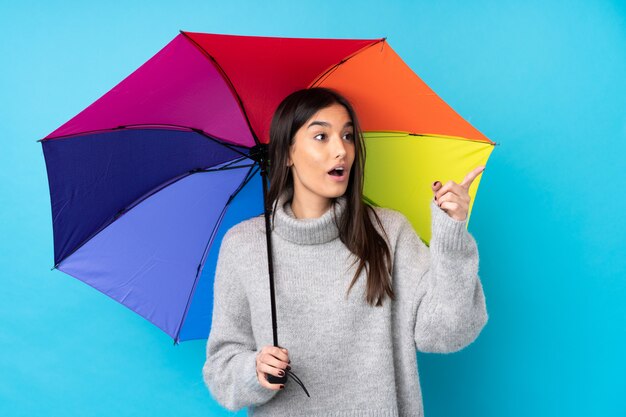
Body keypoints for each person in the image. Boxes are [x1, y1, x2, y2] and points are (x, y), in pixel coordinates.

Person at [202, 87, 488, 416]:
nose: (341, 150)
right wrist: (254, 370)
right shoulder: (244, 245)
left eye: (348, 136)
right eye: (321, 136)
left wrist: (451, 235)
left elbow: (444, 333)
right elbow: (221, 369)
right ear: (288, 153)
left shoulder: (388, 232)